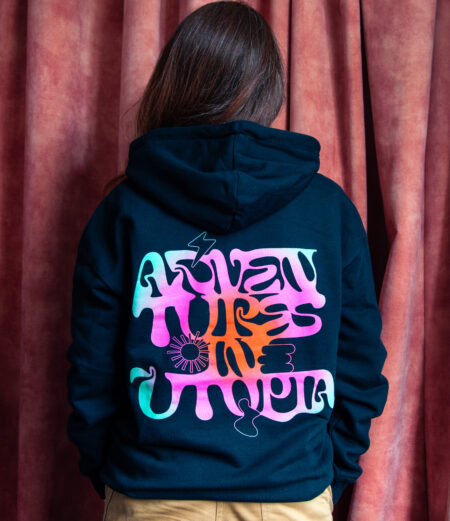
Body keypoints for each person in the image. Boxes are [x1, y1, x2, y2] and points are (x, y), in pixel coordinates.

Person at [65, 1, 389, 520]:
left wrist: (117, 475)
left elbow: (91, 373)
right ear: (270, 89)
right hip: (290, 497)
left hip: (154, 494)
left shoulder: (122, 210)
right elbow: (361, 367)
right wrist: (325, 476)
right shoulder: (330, 210)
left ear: (175, 81)